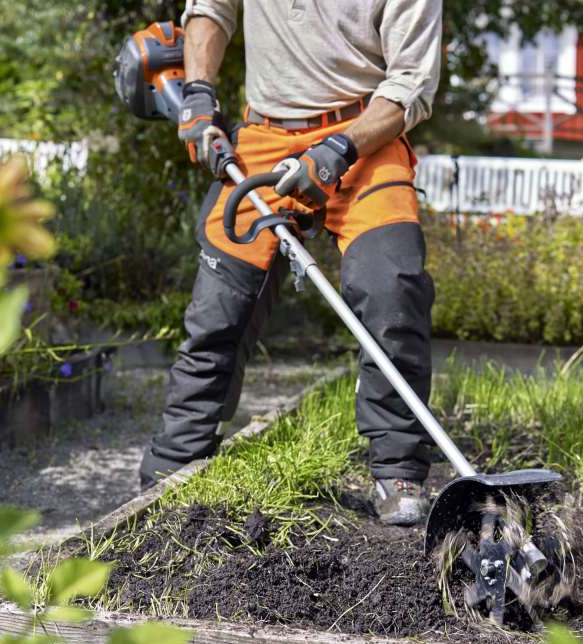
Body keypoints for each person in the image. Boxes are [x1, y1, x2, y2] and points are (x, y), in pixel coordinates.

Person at [139, 0, 443, 525]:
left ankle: (398, 471)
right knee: (217, 314)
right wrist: (198, 92)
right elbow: (210, 9)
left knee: (393, 290)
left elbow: (412, 83)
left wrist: (338, 150)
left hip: (365, 136)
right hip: (262, 137)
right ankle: (170, 473)